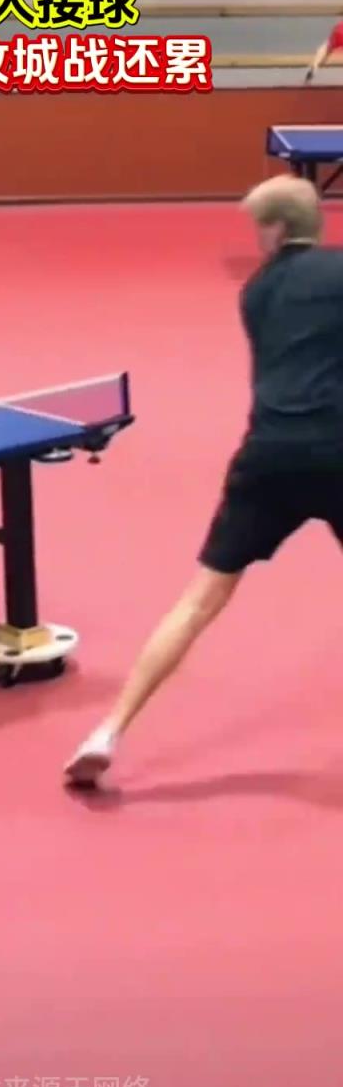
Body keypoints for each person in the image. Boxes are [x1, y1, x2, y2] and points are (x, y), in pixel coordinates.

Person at [65, 175, 343, 787]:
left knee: (198, 602)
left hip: (267, 457)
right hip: (337, 451)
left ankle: (108, 731)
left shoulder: (255, 292)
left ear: (274, 231)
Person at [305, 16, 343, 82]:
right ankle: (313, 70)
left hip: (336, 35)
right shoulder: (338, 27)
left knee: (323, 51)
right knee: (323, 52)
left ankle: (313, 69)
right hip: (336, 36)